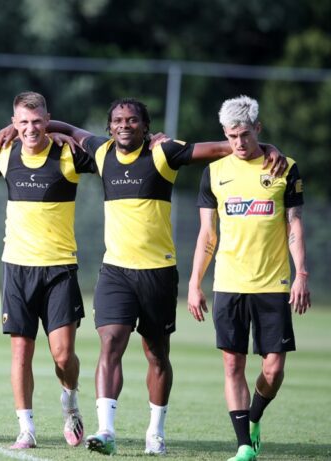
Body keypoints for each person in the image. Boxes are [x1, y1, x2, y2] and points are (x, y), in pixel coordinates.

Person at [10, 98, 287, 456]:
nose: (124, 125)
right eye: (118, 120)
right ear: (109, 127)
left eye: (132, 120)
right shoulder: (101, 152)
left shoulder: (163, 153)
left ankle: (155, 433)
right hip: (116, 272)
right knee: (110, 343)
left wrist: (269, 148)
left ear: (146, 126)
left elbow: (224, 147)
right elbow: (68, 129)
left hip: (158, 273)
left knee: (157, 355)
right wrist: (15, 129)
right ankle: (106, 431)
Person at [187, 96, 310, 461]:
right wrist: (194, 282)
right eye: (231, 136)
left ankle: (253, 418)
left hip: (273, 284)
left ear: (258, 128)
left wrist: (301, 273)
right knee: (232, 363)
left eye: (244, 134)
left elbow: (294, 225)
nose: (238, 143)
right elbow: (207, 234)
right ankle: (244, 445)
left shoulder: (284, 167)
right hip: (228, 283)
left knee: (273, 369)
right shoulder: (214, 172)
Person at [0, 92, 95, 449]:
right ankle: (26, 428)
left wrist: (64, 131)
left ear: (47, 120)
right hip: (17, 268)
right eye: (22, 122)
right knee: (21, 352)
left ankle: (70, 402)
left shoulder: (68, 154)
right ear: (13, 123)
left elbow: (106, 149)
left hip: (59, 268)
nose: (30, 128)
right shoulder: (6, 155)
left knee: (63, 355)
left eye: (37, 121)